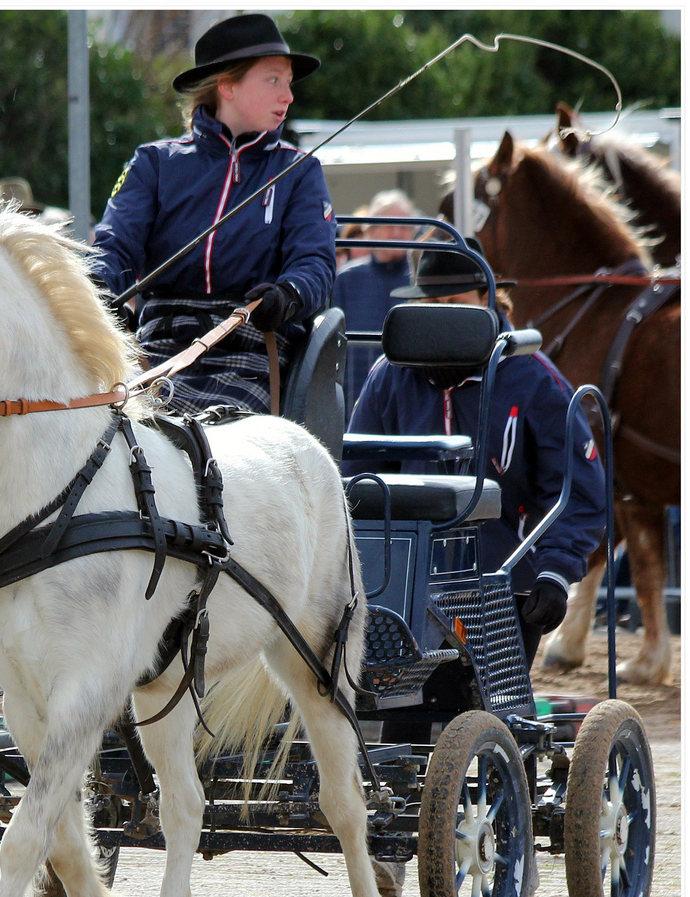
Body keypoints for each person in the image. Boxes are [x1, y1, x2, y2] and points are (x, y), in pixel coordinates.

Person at [343, 238, 608, 666]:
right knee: (401, 711)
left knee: (485, 713)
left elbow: (577, 489)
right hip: (406, 580)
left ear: (487, 297)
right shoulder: (388, 375)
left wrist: (555, 572)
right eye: (433, 302)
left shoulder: (535, 379)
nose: (444, 312)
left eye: (456, 300)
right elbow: (359, 477)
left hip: (507, 582)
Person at [92, 13, 335, 415]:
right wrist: (98, 293)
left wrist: (287, 295)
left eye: (288, 82)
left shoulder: (299, 171)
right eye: (274, 80)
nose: (288, 96)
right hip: (157, 348)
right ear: (227, 85)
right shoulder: (154, 163)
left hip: (252, 346)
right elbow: (114, 247)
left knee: (212, 436)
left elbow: (315, 264)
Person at [333, 189, 417, 408]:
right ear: (371, 230)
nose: (398, 233)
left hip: (409, 393)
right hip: (354, 393)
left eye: (405, 227)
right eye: (390, 225)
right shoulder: (346, 279)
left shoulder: (420, 281)